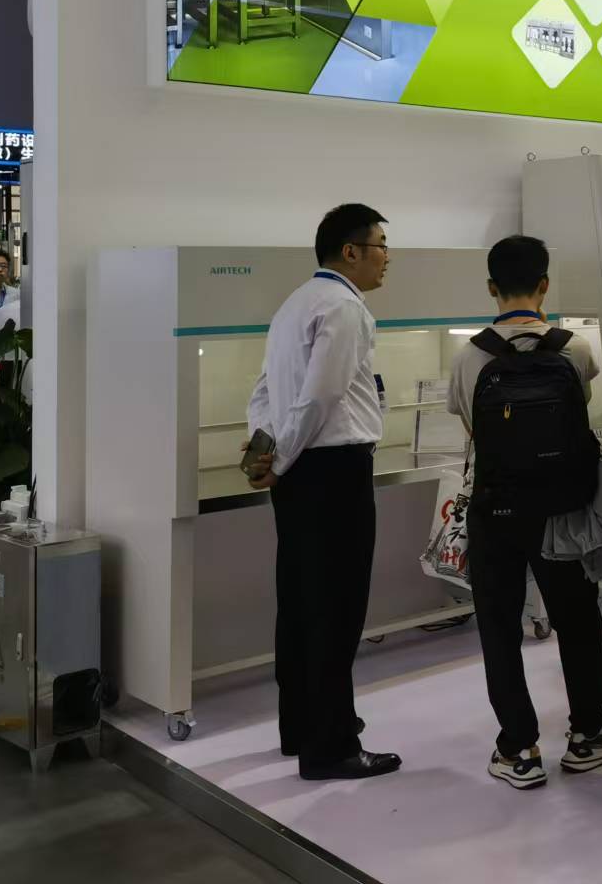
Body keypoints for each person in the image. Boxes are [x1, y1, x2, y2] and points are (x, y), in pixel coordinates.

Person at [446, 235, 602, 791]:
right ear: (545, 284)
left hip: (494, 508)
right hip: (562, 510)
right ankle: (588, 734)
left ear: (491, 288)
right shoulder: (575, 349)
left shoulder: (469, 355)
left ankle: (518, 748)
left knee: (500, 627)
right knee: (577, 619)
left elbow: (473, 430)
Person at [243, 204, 400, 782]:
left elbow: (264, 391)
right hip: (333, 471)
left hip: (298, 474)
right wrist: (281, 458)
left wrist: (264, 452)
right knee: (336, 608)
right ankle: (331, 747)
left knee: (301, 602)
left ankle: (300, 727)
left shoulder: (295, 303)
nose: (387, 258)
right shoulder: (344, 307)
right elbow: (322, 395)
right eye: (381, 246)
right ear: (351, 251)